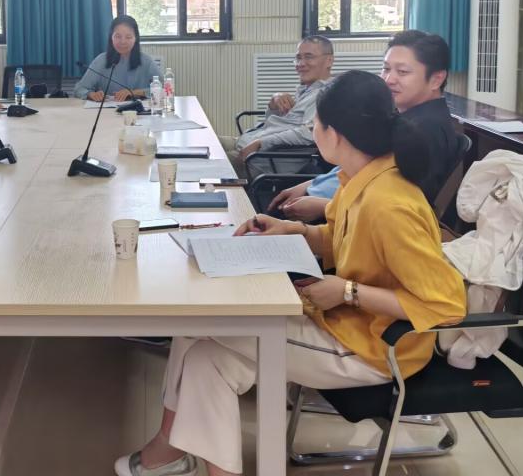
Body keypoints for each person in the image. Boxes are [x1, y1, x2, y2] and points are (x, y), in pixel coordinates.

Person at [115, 70, 466, 476]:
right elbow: (346, 239)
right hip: (343, 322)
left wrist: (348, 291)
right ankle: (170, 455)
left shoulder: (388, 203)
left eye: (316, 124)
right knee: (207, 358)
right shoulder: (364, 178)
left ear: (335, 135)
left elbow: (446, 305)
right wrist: (294, 230)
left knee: (202, 328)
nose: (312, 131)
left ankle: (166, 452)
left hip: (374, 347)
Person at [270, 30, 461, 223]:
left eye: (402, 72)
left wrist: (324, 207)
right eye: (386, 69)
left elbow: (395, 207)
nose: (389, 79)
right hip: (334, 199)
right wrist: (310, 184)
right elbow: (363, 167)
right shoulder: (406, 117)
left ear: (436, 79)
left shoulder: (426, 131)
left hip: (349, 219)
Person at [220, 36, 334, 176]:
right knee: (207, 142)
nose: (301, 63)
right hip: (248, 143)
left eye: (309, 57)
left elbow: (309, 133)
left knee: (206, 161)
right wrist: (273, 107)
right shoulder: (307, 89)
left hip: (261, 160)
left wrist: (261, 142)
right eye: (298, 58)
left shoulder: (328, 94)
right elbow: (276, 123)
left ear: (329, 61)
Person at [74, 15, 162, 102]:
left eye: (128, 37)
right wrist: (91, 94)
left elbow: (164, 89)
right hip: (108, 110)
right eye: (118, 36)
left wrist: (134, 92)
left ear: (135, 38)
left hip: (138, 110)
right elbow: (79, 89)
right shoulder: (101, 60)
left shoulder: (146, 61)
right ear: (111, 37)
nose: (123, 41)